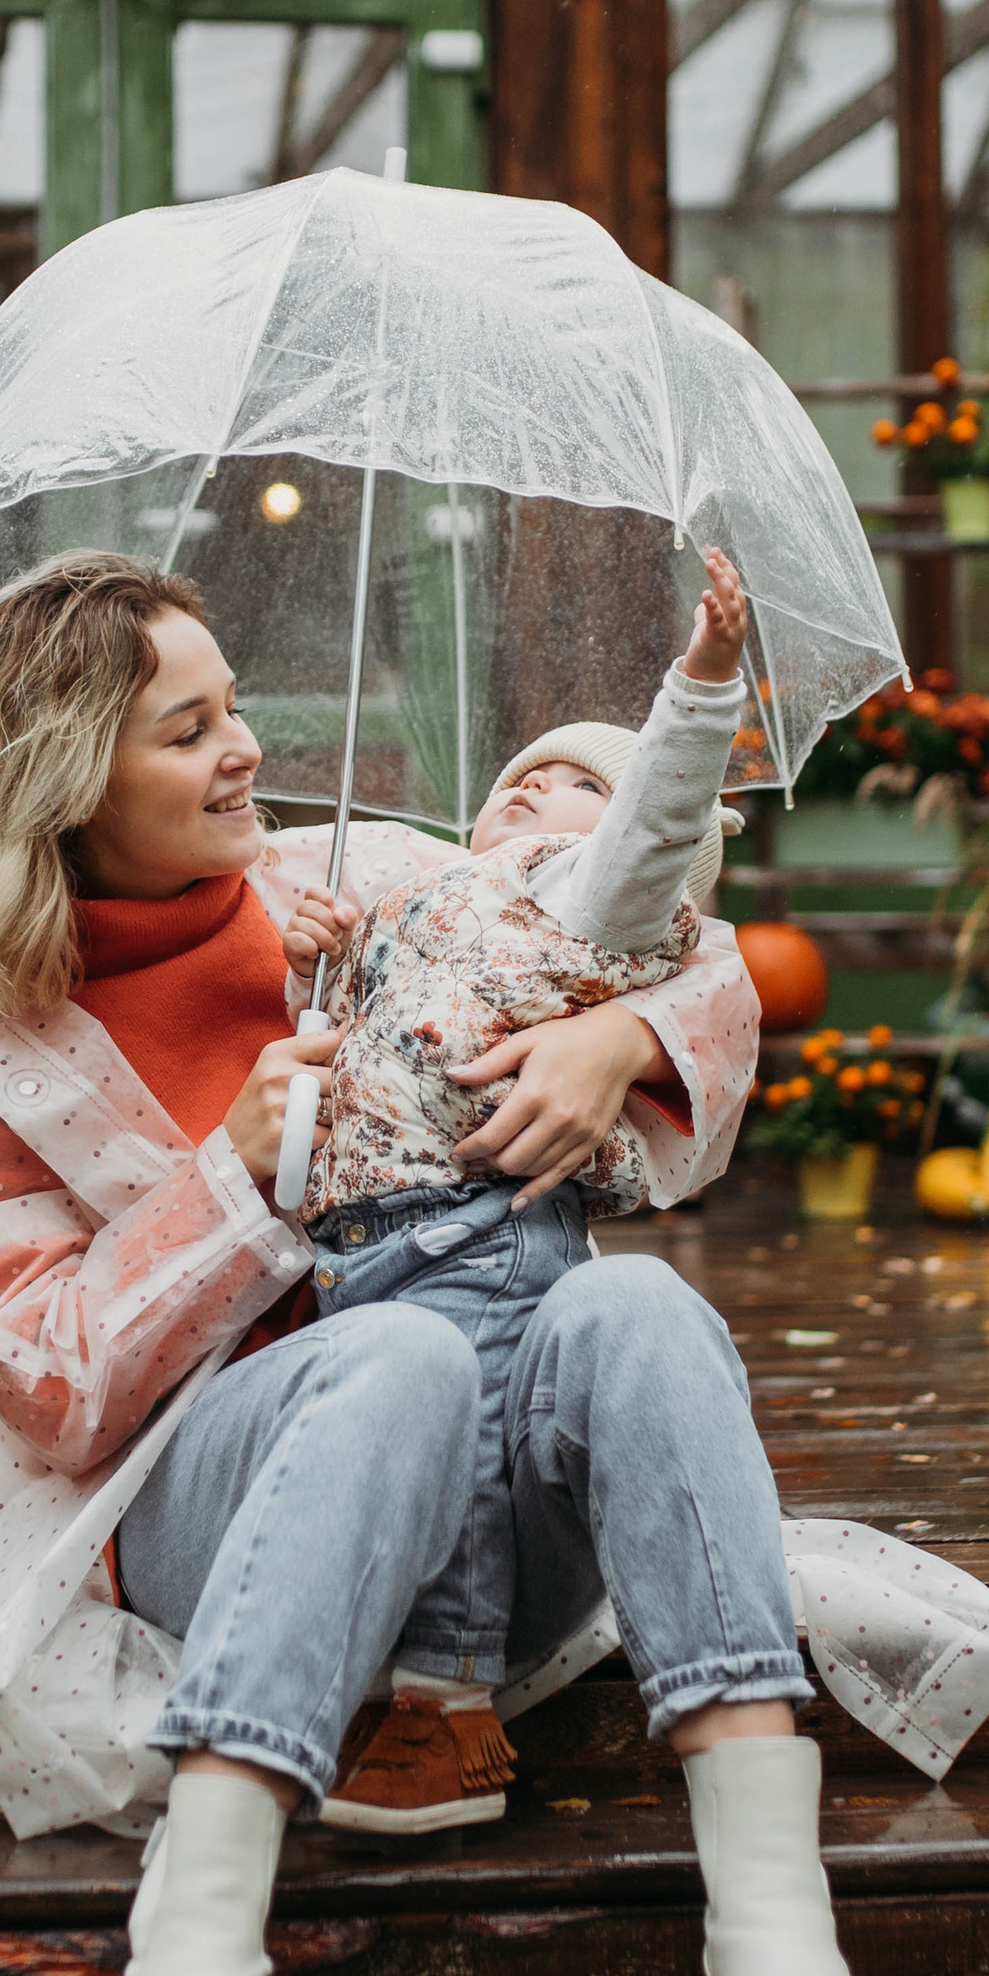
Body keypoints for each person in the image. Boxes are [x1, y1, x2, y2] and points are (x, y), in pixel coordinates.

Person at [0, 550, 898, 1976]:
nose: (243, 751)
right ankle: (194, 1961)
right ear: (65, 782)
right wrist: (231, 1183)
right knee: (398, 1355)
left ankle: (774, 1926)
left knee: (639, 1318)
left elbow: (671, 930)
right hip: (218, 1519)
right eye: (188, 729)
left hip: (493, 1523)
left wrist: (621, 1045)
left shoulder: (359, 874)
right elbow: (50, 1390)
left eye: (234, 710)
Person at [270, 544, 755, 1784]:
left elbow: (660, 819)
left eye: (576, 783)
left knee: (472, 1426)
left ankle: (447, 1694)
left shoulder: (587, 909)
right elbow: (343, 1042)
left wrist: (700, 685)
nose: (535, 784)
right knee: (416, 1422)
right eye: (517, 778)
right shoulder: (430, 899)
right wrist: (316, 955)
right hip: (355, 1241)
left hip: (473, 1221)